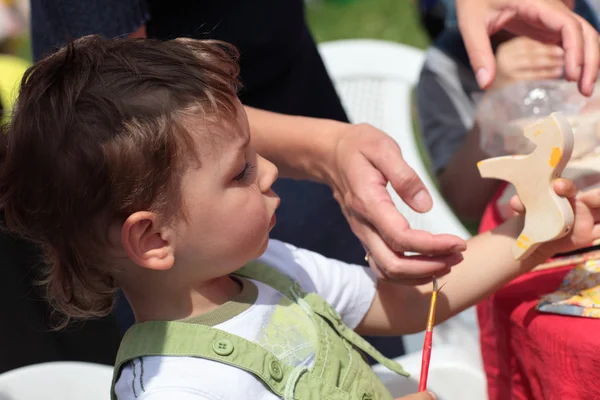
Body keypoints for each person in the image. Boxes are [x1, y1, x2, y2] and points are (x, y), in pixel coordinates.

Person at [2, 35, 599, 400]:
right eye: (239, 172)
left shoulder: (266, 268)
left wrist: (531, 236)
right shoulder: (176, 386)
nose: (269, 171)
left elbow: (409, 303)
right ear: (154, 236)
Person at [416, 0, 600, 222]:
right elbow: (464, 203)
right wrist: (498, 99)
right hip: (520, 229)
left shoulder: (591, 14)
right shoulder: (448, 67)